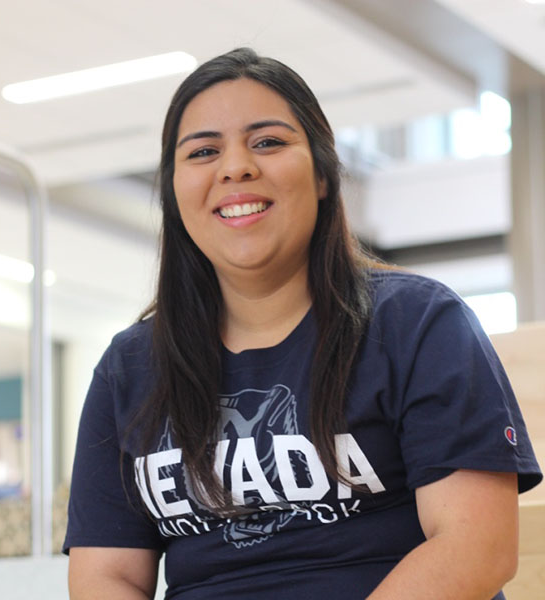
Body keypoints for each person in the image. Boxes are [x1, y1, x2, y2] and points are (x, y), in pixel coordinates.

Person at [64, 48, 542, 599]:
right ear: (174, 191)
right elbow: (107, 576)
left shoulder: (418, 323)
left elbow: (475, 546)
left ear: (321, 175)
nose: (235, 166)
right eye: (202, 151)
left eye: (268, 142)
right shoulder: (130, 368)